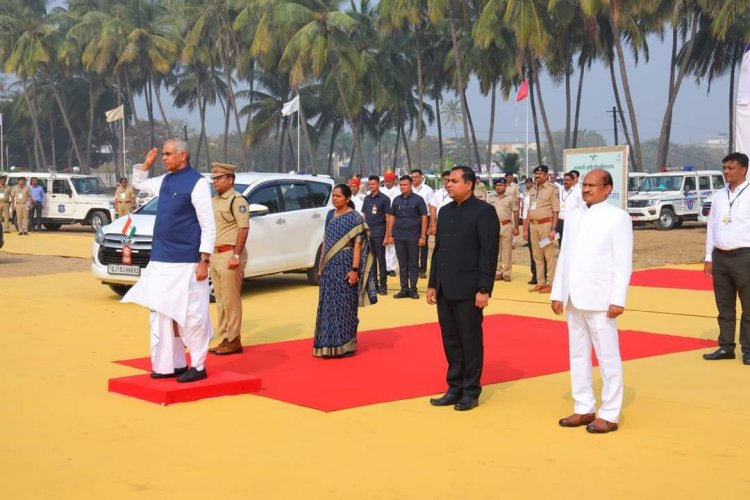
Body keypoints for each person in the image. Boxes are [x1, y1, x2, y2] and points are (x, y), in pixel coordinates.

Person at [122, 138, 216, 383]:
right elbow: (138, 183)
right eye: (162, 154)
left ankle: (198, 365)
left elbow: (208, 225)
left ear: (182, 155)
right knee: (161, 312)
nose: (163, 158)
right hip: (161, 259)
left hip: (187, 261)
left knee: (191, 314)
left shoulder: (198, 183)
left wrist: (204, 260)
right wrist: (146, 162)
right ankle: (168, 365)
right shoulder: (164, 180)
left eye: (167, 154)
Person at [551, 169, 633, 434]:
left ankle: (609, 413)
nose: (586, 189)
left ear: (608, 188)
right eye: (584, 185)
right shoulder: (573, 217)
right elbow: (564, 257)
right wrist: (557, 293)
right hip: (574, 297)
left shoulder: (618, 218)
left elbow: (623, 263)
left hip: (601, 299)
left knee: (608, 357)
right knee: (577, 354)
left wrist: (618, 299)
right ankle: (584, 407)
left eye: (592, 185)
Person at [427, 166, 500, 411]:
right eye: (447, 180)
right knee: (451, 340)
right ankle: (454, 387)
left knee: (470, 340)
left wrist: (484, 288)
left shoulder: (484, 212)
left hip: (469, 288)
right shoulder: (446, 212)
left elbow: (488, 253)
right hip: (445, 287)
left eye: (454, 181)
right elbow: (439, 251)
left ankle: (470, 390)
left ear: (469, 184)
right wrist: (432, 284)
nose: (449, 184)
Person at [313, 184, 377, 357]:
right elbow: (326, 240)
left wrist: (354, 270)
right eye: (333, 196)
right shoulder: (329, 215)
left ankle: (347, 346)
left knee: (345, 306)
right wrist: (321, 265)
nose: (334, 199)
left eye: (338, 196)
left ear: (348, 199)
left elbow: (358, 246)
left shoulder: (355, 218)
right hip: (329, 266)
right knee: (327, 305)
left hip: (345, 265)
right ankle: (327, 345)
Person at [702, 152, 750, 365]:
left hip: (745, 256)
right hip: (720, 257)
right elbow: (711, 226)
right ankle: (726, 346)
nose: (726, 172)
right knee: (724, 306)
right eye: (724, 168)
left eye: (730, 168)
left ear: (744, 170)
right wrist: (708, 257)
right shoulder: (719, 195)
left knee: (748, 306)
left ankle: (748, 349)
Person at [208, 162, 250, 356]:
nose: (214, 181)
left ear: (230, 179)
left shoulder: (237, 200)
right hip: (216, 255)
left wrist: (236, 255)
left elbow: (243, 228)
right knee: (221, 300)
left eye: (218, 178)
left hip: (230, 254)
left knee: (231, 299)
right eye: (214, 178)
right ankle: (225, 337)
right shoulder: (214, 201)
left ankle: (234, 339)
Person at [385, 175, 428, 299]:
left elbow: (424, 218)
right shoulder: (396, 200)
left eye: (405, 185)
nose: (403, 187)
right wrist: (389, 234)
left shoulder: (418, 200)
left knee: (413, 263)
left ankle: (413, 289)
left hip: (414, 236)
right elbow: (392, 217)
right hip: (399, 236)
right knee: (402, 264)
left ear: (410, 185)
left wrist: (423, 236)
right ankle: (404, 289)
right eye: (401, 185)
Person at [523, 165, 559, 293]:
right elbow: (529, 211)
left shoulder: (552, 189)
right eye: (536, 173)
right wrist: (525, 229)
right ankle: (540, 282)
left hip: (546, 225)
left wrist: (553, 229)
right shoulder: (532, 189)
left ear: (546, 175)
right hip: (533, 225)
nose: (537, 176)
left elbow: (555, 211)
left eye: (540, 173)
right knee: (537, 256)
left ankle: (550, 283)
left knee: (548, 255)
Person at [362, 175, 391, 295]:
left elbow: (388, 218)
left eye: (373, 184)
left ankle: (383, 286)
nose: (371, 186)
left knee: (381, 260)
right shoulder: (367, 199)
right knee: (371, 261)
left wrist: (387, 235)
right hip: (369, 233)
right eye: (369, 184)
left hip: (380, 232)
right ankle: (374, 285)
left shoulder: (384, 199)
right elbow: (364, 215)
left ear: (378, 184)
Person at [486, 178, 519, 282]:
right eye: (497, 185)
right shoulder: (491, 197)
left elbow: (516, 212)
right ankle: (498, 272)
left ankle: (507, 273)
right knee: (496, 251)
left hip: (506, 225)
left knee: (507, 251)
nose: (498, 187)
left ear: (505, 186)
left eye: (501, 185)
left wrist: (516, 227)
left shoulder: (510, 198)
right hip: (493, 226)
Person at [411, 169, 434, 279]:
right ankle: (413, 268)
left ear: (421, 177)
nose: (414, 179)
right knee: (412, 244)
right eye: (412, 177)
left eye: (416, 177)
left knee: (423, 244)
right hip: (411, 219)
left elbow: (431, 206)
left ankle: (422, 270)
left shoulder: (428, 190)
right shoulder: (409, 188)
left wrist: (431, 224)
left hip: (425, 218)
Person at [557, 172, 584, 245]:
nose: (565, 181)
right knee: (561, 242)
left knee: (571, 243)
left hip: (572, 222)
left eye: (568, 180)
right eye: (564, 180)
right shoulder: (559, 189)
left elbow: (582, 207)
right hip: (560, 221)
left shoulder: (578, 191)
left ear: (572, 181)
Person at [382, 171, 400, 277]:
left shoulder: (398, 191)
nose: (388, 183)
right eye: (386, 181)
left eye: (390, 181)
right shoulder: (380, 190)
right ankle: (385, 267)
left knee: (392, 244)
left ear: (394, 181)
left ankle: (392, 267)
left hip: (394, 219)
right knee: (384, 244)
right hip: (382, 220)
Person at [520, 178, 538, 285]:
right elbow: (527, 213)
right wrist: (525, 229)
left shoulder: (546, 193)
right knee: (533, 253)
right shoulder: (528, 195)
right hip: (530, 225)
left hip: (542, 225)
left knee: (544, 252)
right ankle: (535, 275)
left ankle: (545, 276)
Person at [428, 171, 452, 236]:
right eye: (445, 179)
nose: (447, 181)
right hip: (440, 223)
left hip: (453, 223)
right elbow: (433, 209)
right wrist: (433, 225)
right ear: (442, 180)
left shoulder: (457, 193)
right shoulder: (437, 193)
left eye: (449, 179)